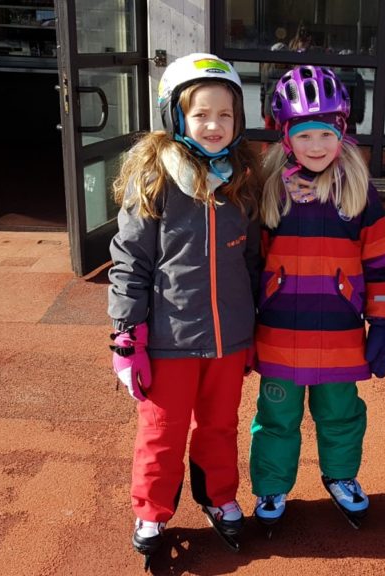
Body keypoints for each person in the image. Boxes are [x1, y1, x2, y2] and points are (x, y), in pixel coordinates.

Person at [107, 53, 261, 560]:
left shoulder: (241, 179)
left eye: (225, 115)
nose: (214, 125)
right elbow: (130, 260)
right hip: (169, 338)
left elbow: (254, 262)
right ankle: (151, 509)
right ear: (175, 115)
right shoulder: (155, 179)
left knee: (220, 427)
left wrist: (256, 328)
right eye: (201, 114)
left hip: (228, 337)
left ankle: (218, 498)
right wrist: (127, 335)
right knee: (161, 432)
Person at [249, 65, 385, 529]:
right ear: (286, 137)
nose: (316, 146)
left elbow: (379, 264)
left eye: (325, 134)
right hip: (278, 335)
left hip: (340, 337)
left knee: (341, 413)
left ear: (342, 133)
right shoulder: (268, 189)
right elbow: (249, 266)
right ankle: (272, 485)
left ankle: (341, 476)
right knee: (276, 418)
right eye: (305, 135)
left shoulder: (359, 192)